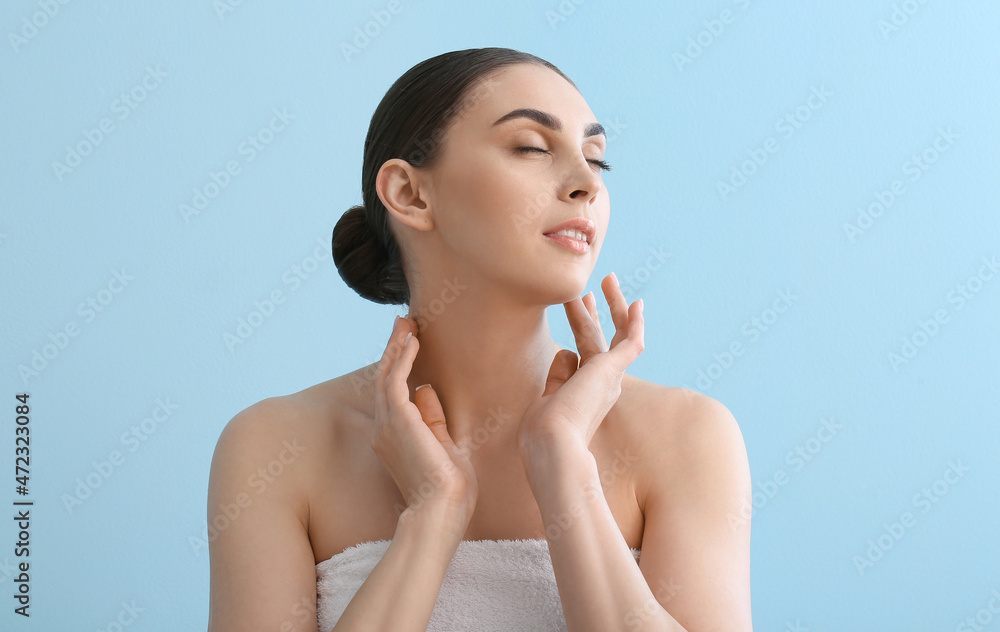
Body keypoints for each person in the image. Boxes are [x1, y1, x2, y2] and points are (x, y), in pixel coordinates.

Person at [206, 47, 753, 632]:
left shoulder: (688, 437)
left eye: (597, 160)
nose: (584, 185)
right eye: (532, 148)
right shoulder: (274, 449)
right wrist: (432, 517)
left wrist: (564, 466)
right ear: (411, 195)